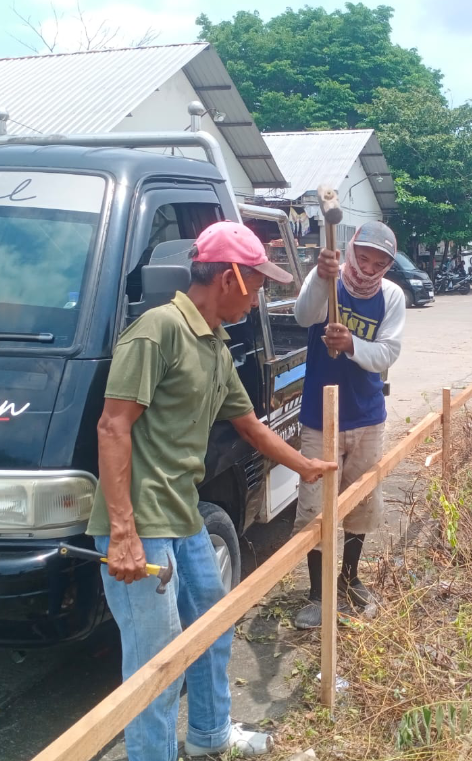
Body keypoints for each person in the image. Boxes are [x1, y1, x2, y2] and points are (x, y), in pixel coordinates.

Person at [88, 221, 337, 761]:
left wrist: (305, 465)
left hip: (184, 513)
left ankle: (209, 733)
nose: (259, 296)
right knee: (155, 662)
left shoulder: (215, 345)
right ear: (230, 278)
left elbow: (249, 425)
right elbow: (113, 426)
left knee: (213, 623)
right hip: (142, 522)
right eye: (258, 283)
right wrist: (123, 532)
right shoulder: (158, 332)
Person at [291, 222, 406, 629]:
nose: (368, 269)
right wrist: (320, 279)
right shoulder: (328, 278)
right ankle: (317, 593)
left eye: (379, 264)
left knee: (360, 502)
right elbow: (303, 315)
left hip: (366, 415)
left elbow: (387, 353)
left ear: (387, 266)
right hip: (320, 417)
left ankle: (349, 578)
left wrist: (351, 345)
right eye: (363, 258)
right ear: (351, 250)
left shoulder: (391, 296)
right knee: (314, 507)